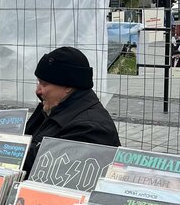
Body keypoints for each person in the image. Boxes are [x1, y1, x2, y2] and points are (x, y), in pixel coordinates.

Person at [23, 47, 120, 175]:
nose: (38, 91)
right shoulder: (52, 109)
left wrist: (3, 149)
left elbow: (46, 167)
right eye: (38, 82)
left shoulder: (89, 128)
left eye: (44, 84)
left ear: (68, 86)